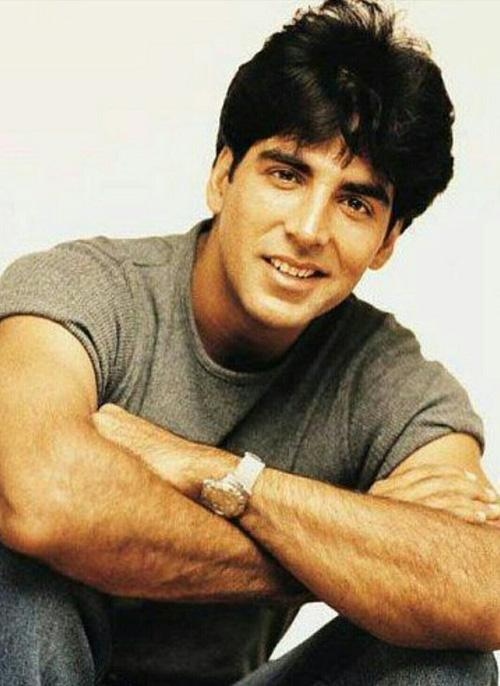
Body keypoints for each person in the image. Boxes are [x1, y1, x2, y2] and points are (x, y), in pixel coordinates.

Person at [0, 0, 498, 684]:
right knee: (15, 577)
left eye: (356, 202)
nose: (309, 229)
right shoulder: (80, 292)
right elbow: (40, 498)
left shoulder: (387, 377)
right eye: (286, 175)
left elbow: (483, 587)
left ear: (387, 242)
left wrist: (211, 471)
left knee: (449, 658)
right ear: (223, 177)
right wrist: (337, 552)